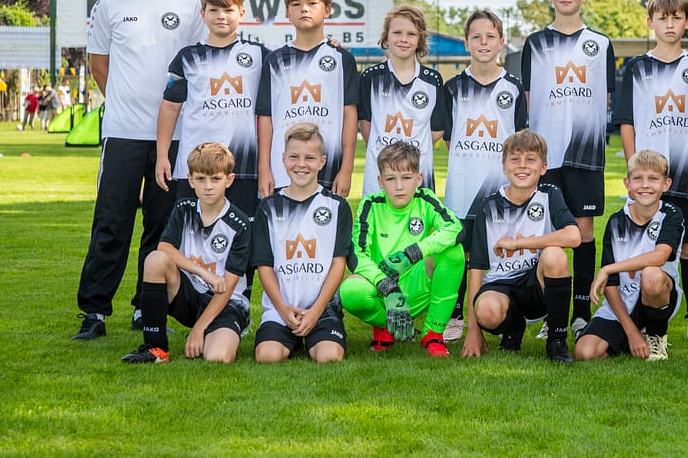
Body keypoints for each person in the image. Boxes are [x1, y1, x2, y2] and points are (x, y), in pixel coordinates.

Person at [72, 0, 204, 341]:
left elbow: (199, 64)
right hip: (123, 132)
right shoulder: (112, 1)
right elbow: (99, 65)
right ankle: (94, 312)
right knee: (111, 222)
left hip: (175, 137)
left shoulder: (189, 4)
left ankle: (145, 306)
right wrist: (124, 103)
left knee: (161, 225)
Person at [613, 0, 688, 348]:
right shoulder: (636, 68)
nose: (670, 24)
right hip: (647, 181)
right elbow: (626, 122)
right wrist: (634, 174)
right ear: (650, 22)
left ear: (687, 22)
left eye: (677, 17)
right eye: (663, 17)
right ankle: (641, 317)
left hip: (687, 176)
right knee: (641, 251)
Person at [521, 0, 615, 339]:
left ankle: (580, 314)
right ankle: (552, 314)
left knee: (584, 230)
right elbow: (529, 100)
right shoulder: (535, 44)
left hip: (585, 154)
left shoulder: (600, 44)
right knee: (550, 233)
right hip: (546, 156)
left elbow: (604, 100)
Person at [440, 9, 527, 343]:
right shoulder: (453, 87)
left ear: (501, 42)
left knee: (503, 252)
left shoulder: (513, 87)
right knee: (459, 254)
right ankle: (456, 314)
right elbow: (450, 138)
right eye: (476, 37)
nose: (483, 42)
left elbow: (518, 139)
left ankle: (508, 316)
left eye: (490, 36)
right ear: (466, 43)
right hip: (462, 186)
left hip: (501, 190)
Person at [121, 143, 251, 364]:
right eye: (201, 179)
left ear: (229, 180)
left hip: (226, 303)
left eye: (216, 179)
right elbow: (165, 248)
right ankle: (156, 348)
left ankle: (214, 331)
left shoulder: (240, 224)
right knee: (155, 260)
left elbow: (227, 287)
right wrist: (204, 273)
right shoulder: (184, 209)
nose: (208, 186)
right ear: (190, 180)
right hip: (190, 295)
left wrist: (198, 330)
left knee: (218, 357)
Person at [460, 130, 580, 363]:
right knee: (487, 310)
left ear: (543, 168)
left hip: (536, 285)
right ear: (504, 166)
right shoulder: (488, 206)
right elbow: (476, 268)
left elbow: (574, 236)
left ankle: (557, 341)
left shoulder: (549, 195)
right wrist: (473, 331)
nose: (522, 166)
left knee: (555, 255)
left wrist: (518, 243)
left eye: (530, 159)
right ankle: (513, 330)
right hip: (500, 285)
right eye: (515, 159)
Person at [338, 140, 465, 357]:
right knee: (351, 291)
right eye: (390, 179)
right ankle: (386, 326)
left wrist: (412, 253)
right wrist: (385, 283)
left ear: (418, 179)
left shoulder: (425, 200)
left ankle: (433, 333)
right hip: (382, 288)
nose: (399, 186)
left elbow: (455, 229)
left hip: (415, 285)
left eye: (406, 178)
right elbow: (357, 254)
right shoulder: (370, 205)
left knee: (453, 252)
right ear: (380, 181)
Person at [155, 0, 267, 217]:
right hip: (196, 166)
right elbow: (170, 108)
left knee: (241, 231)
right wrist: (162, 156)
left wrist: (330, 44)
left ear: (242, 13)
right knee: (193, 230)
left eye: (228, 10)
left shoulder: (259, 54)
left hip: (243, 165)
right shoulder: (187, 57)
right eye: (214, 10)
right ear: (203, 13)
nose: (221, 16)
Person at [250, 124, 351, 364]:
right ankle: (290, 337)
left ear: (322, 162)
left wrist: (315, 312)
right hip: (281, 307)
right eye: (294, 157)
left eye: (310, 158)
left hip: (322, 308)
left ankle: (316, 331)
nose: (301, 164)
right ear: (283, 159)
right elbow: (264, 266)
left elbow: (338, 264)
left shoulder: (337, 206)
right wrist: (283, 309)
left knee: (329, 357)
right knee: (267, 357)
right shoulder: (268, 207)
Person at [575, 150, 684, 362]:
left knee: (651, 275)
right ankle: (634, 336)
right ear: (628, 183)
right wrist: (632, 333)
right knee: (585, 352)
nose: (645, 185)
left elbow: (660, 256)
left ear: (666, 184)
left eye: (653, 179)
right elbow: (610, 285)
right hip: (621, 303)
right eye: (638, 178)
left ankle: (655, 335)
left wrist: (608, 268)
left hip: (657, 295)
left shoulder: (671, 215)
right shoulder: (616, 222)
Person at [256, 0, 358, 198]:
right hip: (282, 171)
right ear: (288, 12)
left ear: (327, 10)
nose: (304, 9)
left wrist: (346, 169)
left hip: (328, 168)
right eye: (296, 4)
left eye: (312, 3)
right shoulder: (274, 61)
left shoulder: (342, 59)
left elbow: (349, 115)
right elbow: (265, 117)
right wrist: (264, 169)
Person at [359, 4, 446, 196]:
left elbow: (437, 129)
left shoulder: (432, 80)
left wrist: (411, 147)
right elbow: (365, 125)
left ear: (420, 39)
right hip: (379, 173)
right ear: (386, 37)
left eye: (411, 34)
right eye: (397, 33)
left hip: (418, 173)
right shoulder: (371, 78)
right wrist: (387, 149)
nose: (404, 39)